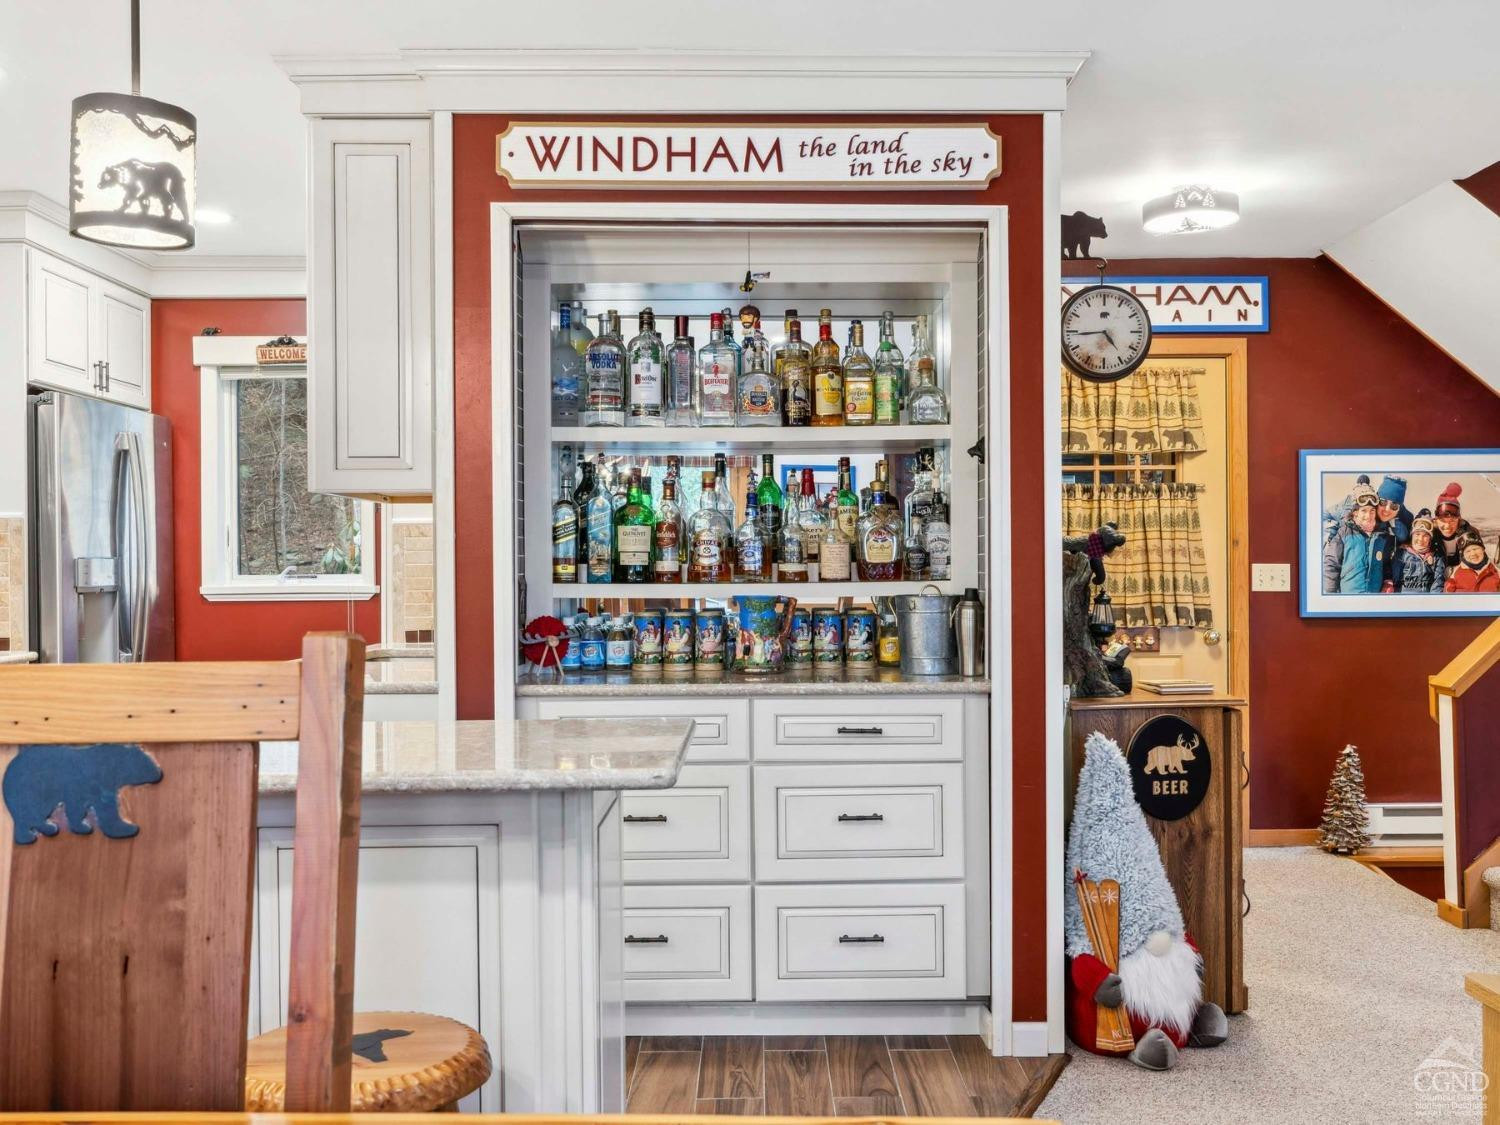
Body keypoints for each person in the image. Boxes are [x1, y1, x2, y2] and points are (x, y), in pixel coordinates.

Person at [1322, 486, 1393, 594]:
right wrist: (1330, 593)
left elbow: (1386, 564)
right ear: (1355, 512)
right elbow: (1332, 564)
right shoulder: (1344, 533)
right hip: (1350, 597)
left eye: (1372, 511)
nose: (1368, 515)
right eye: (1363, 510)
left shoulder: (1382, 536)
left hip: (1374, 597)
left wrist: (1388, 582)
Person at [1393, 509, 1445, 593]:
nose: (1420, 539)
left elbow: (1438, 581)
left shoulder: (1436, 557)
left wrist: (1434, 600)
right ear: (1412, 536)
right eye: (1417, 534)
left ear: (1430, 539)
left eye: (1425, 536)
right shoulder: (1402, 554)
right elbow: (1394, 580)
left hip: (1426, 601)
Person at [1431, 483, 1476, 570]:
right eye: (1443, 521)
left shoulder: (1468, 533)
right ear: (1436, 520)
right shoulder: (1429, 534)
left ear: (1459, 519)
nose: (1447, 526)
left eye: (1452, 521)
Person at [1375, 475, 1412, 545]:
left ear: (1399, 509)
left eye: (1394, 506)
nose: (1387, 509)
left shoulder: (1403, 523)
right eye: (1383, 502)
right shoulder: (1366, 515)